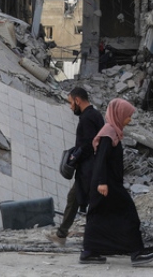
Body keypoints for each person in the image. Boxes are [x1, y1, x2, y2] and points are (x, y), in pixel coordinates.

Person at [79, 98, 153, 266]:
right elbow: (101, 159)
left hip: (108, 183)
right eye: (127, 115)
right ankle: (136, 252)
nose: (129, 119)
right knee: (129, 213)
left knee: (98, 217)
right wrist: (102, 182)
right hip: (106, 184)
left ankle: (90, 252)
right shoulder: (108, 133)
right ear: (119, 114)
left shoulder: (113, 132)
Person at [48, 87, 105, 246]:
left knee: (81, 200)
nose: (70, 106)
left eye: (71, 102)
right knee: (75, 198)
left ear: (77, 100)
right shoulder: (95, 115)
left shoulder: (87, 118)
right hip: (93, 168)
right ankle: (62, 234)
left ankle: (95, 239)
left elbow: (88, 144)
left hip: (88, 169)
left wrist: (75, 156)